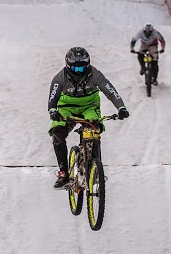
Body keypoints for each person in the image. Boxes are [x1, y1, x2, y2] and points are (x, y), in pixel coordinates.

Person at [48, 47, 129, 189]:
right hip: (67, 108)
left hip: (89, 107)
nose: (79, 72)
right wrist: (53, 110)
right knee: (57, 134)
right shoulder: (59, 77)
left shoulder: (95, 74)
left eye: (82, 68)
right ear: (67, 65)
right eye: (75, 68)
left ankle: (95, 168)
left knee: (94, 129)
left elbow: (110, 91)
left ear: (88, 64)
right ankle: (63, 173)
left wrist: (121, 107)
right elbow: (53, 96)